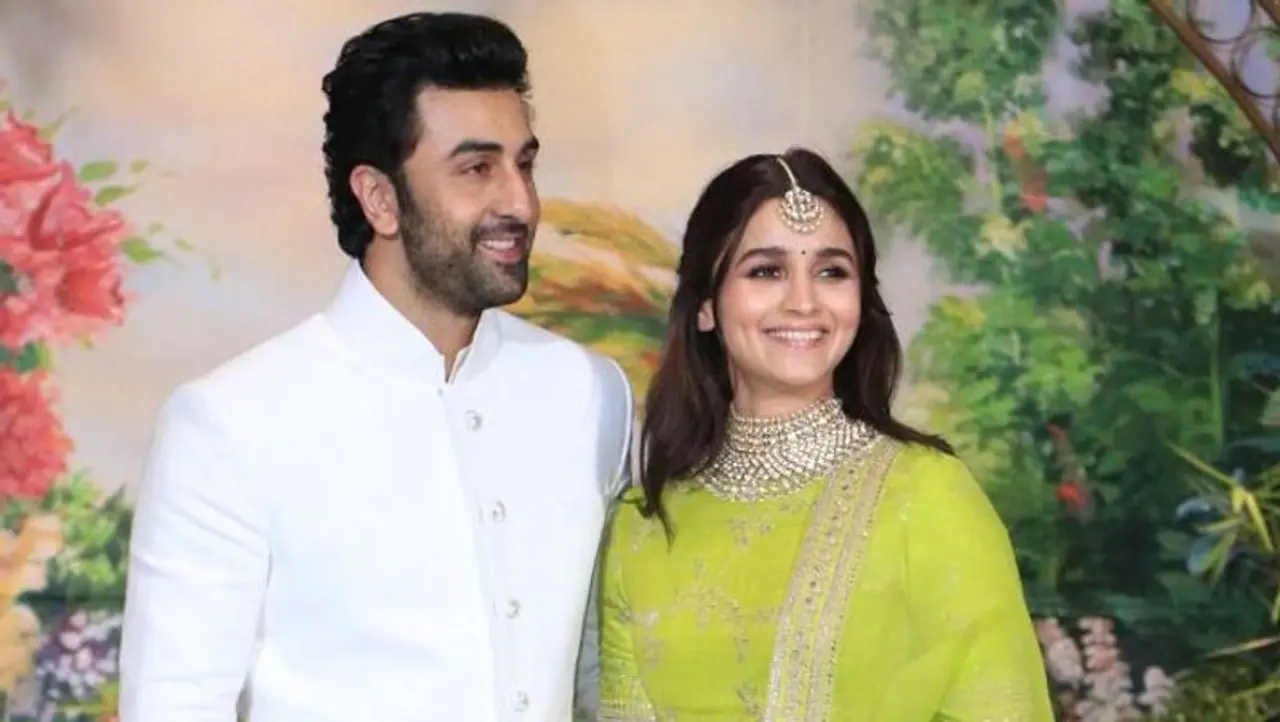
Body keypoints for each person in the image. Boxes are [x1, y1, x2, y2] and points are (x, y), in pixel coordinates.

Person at [118, 12, 633, 722]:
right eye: (477, 169)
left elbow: (605, 679)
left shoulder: (588, 392)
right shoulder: (232, 423)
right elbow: (175, 705)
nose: (520, 202)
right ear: (380, 199)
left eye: (524, 164)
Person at [596, 148, 1054, 721]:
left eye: (831, 272)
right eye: (766, 271)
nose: (804, 302)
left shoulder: (927, 495)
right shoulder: (644, 528)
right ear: (706, 306)